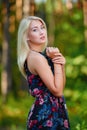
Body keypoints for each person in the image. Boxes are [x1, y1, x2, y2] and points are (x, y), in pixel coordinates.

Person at [17, 16, 70, 130]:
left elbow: (60, 86)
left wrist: (60, 64)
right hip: (46, 116)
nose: (41, 32)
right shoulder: (36, 58)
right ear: (26, 36)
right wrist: (55, 61)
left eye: (42, 27)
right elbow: (57, 91)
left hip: (53, 111)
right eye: (35, 29)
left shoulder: (39, 56)